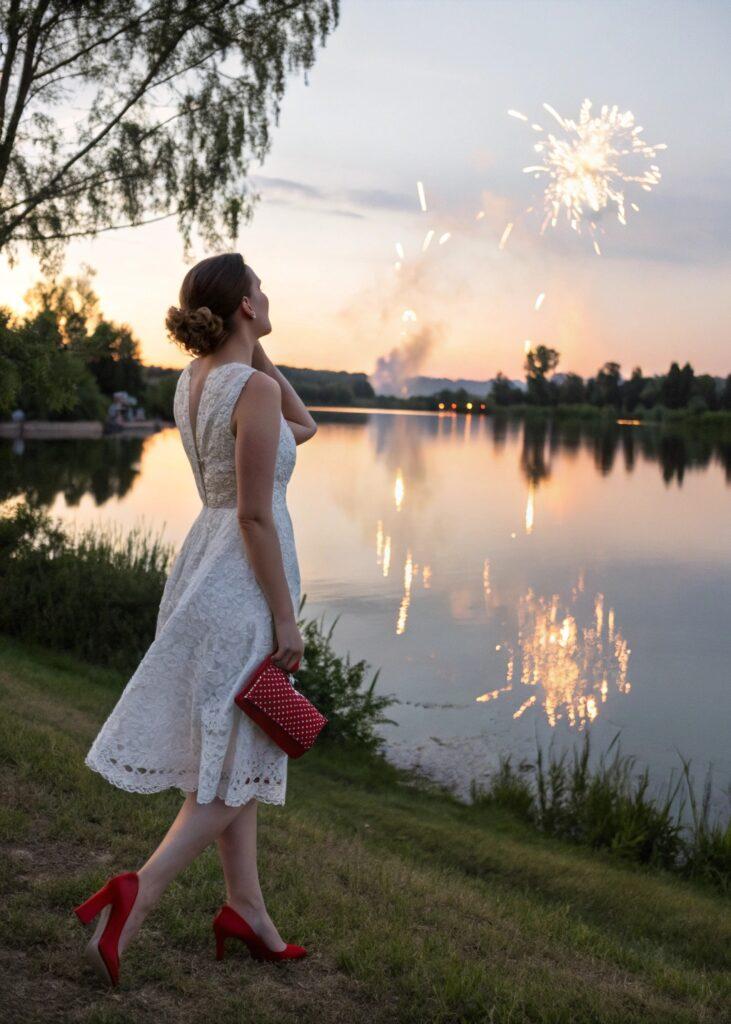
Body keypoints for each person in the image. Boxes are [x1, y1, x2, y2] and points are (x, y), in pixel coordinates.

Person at [74, 252, 318, 986]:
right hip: (238, 585)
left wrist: (253, 345)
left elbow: (302, 427)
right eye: (261, 291)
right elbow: (252, 513)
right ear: (245, 302)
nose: (270, 295)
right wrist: (286, 618)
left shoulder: (199, 381)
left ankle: (247, 908)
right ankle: (136, 894)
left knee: (231, 745)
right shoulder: (246, 388)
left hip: (200, 569)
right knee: (234, 751)